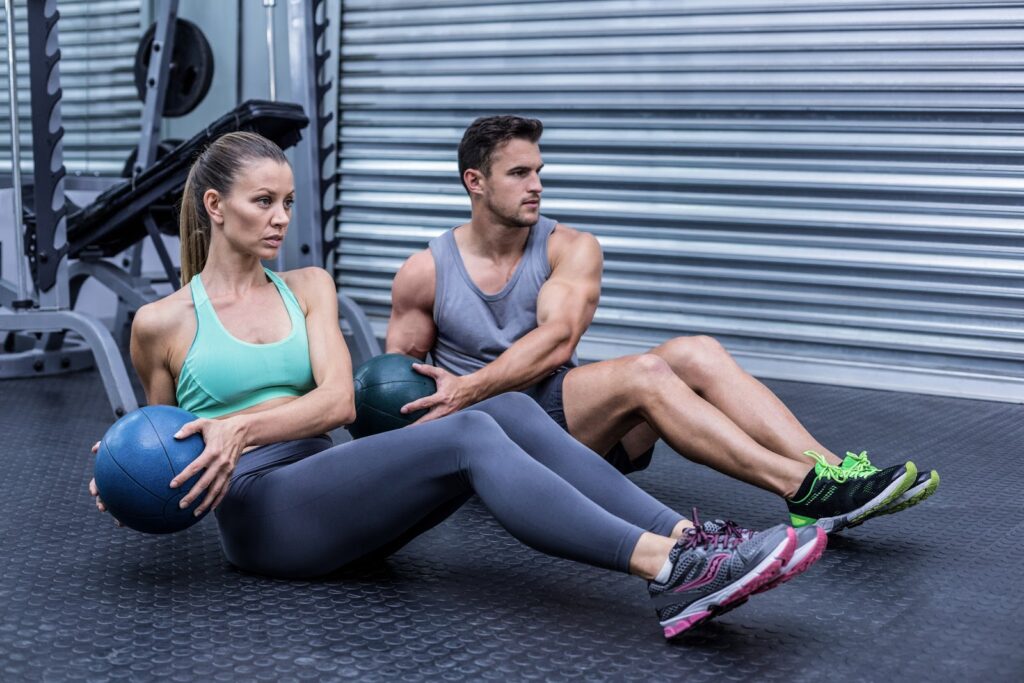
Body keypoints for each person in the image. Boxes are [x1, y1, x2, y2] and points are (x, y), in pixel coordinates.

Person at [86, 131, 825, 640]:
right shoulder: (162, 321)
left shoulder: (307, 286)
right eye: (261, 202)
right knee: (472, 430)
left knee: (499, 404)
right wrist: (125, 477)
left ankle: (689, 540)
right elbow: (165, 437)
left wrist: (242, 425)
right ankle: (667, 569)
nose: (281, 217)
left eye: (287, 200)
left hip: (332, 487)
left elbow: (338, 404)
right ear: (215, 208)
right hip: (264, 519)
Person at [385, 115, 940, 534]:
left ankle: (832, 472)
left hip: (568, 425)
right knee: (645, 372)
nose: (536, 185)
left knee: (696, 351)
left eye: (539, 171)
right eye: (519, 173)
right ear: (474, 181)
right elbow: (394, 391)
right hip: (493, 445)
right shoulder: (425, 272)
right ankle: (800, 489)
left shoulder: (570, 247)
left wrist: (470, 385)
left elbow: (556, 343)